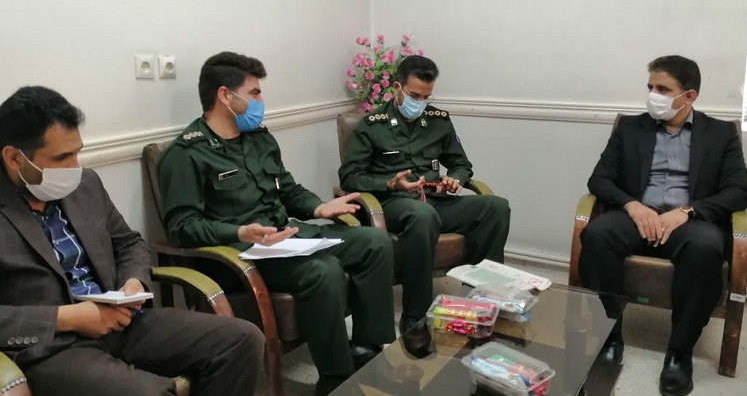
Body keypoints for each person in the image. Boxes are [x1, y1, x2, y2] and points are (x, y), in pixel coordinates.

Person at [0, 86, 265, 396]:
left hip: (120, 321)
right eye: (62, 157)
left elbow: (128, 243)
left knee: (242, 340)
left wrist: (133, 282)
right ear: (14, 158)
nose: (75, 167)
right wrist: (66, 318)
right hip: (52, 345)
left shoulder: (85, 184)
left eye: (77, 152)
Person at [158, 52, 396, 396]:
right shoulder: (186, 154)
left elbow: (288, 189)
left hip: (285, 237)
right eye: (254, 93)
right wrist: (239, 232)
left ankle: (366, 350)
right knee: (322, 270)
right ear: (225, 95)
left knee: (375, 242)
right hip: (239, 255)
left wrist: (319, 207)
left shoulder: (258, 138)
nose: (260, 101)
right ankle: (334, 378)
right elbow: (182, 226)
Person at [580, 56, 747, 396]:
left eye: (663, 89)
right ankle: (610, 335)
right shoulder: (631, 128)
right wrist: (633, 205)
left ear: (689, 96)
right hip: (637, 215)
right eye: (650, 87)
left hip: (688, 221)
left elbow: (739, 190)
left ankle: (679, 352)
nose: (653, 95)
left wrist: (688, 210)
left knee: (705, 248)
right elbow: (599, 179)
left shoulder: (720, 134)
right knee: (596, 233)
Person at [338, 56, 511, 336]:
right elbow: (350, 177)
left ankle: (482, 301)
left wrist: (454, 179)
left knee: (496, 207)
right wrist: (390, 184)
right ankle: (415, 316)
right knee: (421, 215)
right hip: (393, 203)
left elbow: (461, 164)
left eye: (426, 97)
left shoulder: (438, 120)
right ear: (397, 88)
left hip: (435, 200)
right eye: (414, 96)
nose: (419, 103)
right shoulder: (372, 125)